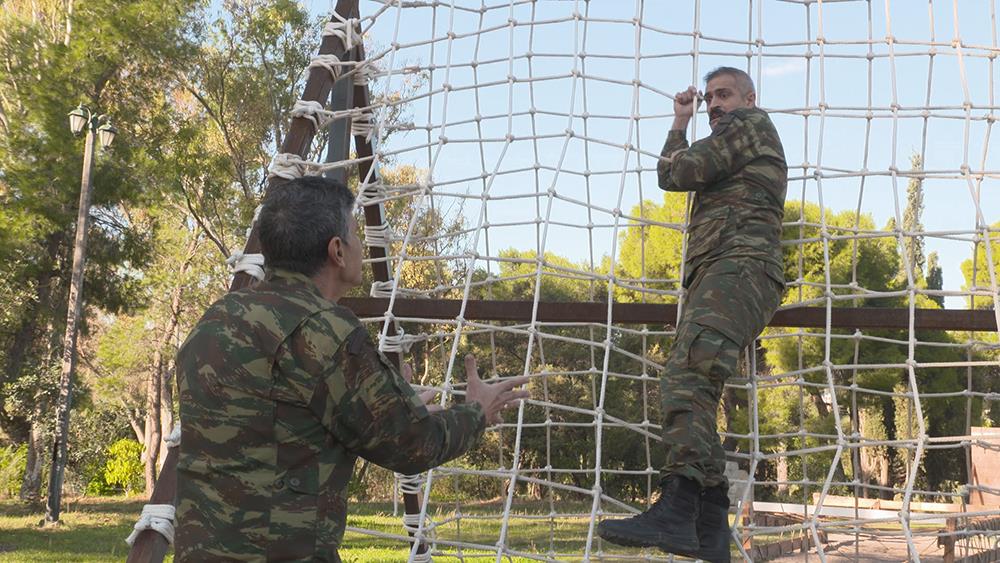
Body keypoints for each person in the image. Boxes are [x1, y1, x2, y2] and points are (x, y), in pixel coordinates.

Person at [174, 175, 529, 561]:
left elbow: (277, 428)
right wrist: (477, 411)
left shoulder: (217, 317)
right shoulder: (326, 330)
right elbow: (412, 444)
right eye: (355, 234)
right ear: (338, 251)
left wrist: (390, 405)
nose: (362, 245)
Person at [597, 67, 787, 562]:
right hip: (726, 272)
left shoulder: (750, 125)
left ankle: (678, 507)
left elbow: (679, 173)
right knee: (698, 388)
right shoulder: (723, 136)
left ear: (749, 96)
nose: (714, 105)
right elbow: (669, 174)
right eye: (708, 98)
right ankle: (709, 528)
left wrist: (686, 135)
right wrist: (679, 122)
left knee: (685, 379)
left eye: (723, 95)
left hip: (740, 267)